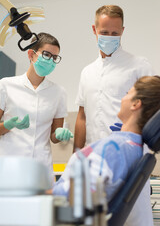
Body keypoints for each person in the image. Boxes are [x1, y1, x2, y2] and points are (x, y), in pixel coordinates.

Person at [53, 76, 160, 226]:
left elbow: (71, 202)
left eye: (128, 93)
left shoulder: (114, 148)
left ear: (136, 103)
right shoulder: (136, 148)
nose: (123, 98)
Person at [74, 5, 153, 149]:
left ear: (122, 31)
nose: (109, 37)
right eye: (104, 32)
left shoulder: (139, 66)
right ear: (94, 30)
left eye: (115, 33)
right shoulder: (87, 72)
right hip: (93, 155)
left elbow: (153, 111)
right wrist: (76, 154)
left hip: (128, 151)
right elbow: (82, 117)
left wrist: (132, 130)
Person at [0, 32, 73, 187]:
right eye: (46, 54)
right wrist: (8, 125)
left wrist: (60, 134)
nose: (51, 60)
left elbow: (54, 137)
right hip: (9, 168)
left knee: (40, 210)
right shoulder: (6, 85)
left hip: (41, 170)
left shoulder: (58, 92)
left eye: (55, 57)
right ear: (31, 54)